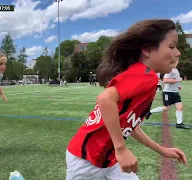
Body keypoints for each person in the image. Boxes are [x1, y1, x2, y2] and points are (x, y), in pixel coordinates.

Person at [66, 19, 187, 180]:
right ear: (147, 50)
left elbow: (129, 124)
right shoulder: (146, 75)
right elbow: (105, 99)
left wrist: (161, 150)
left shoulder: (144, 76)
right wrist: (121, 149)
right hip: (86, 160)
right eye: (172, 46)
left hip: (108, 160)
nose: (177, 53)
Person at [148, 60, 189, 129]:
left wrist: (177, 85)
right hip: (168, 92)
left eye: (177, 61)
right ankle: (150, 111)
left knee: (180, 107)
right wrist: (178, 80)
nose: (176, 62)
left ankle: (179, 124)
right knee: (166, 108)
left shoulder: (175, 70)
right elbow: (165, 80)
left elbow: (173, 80)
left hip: (175, 92)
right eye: (174, 61)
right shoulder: (170, 70)